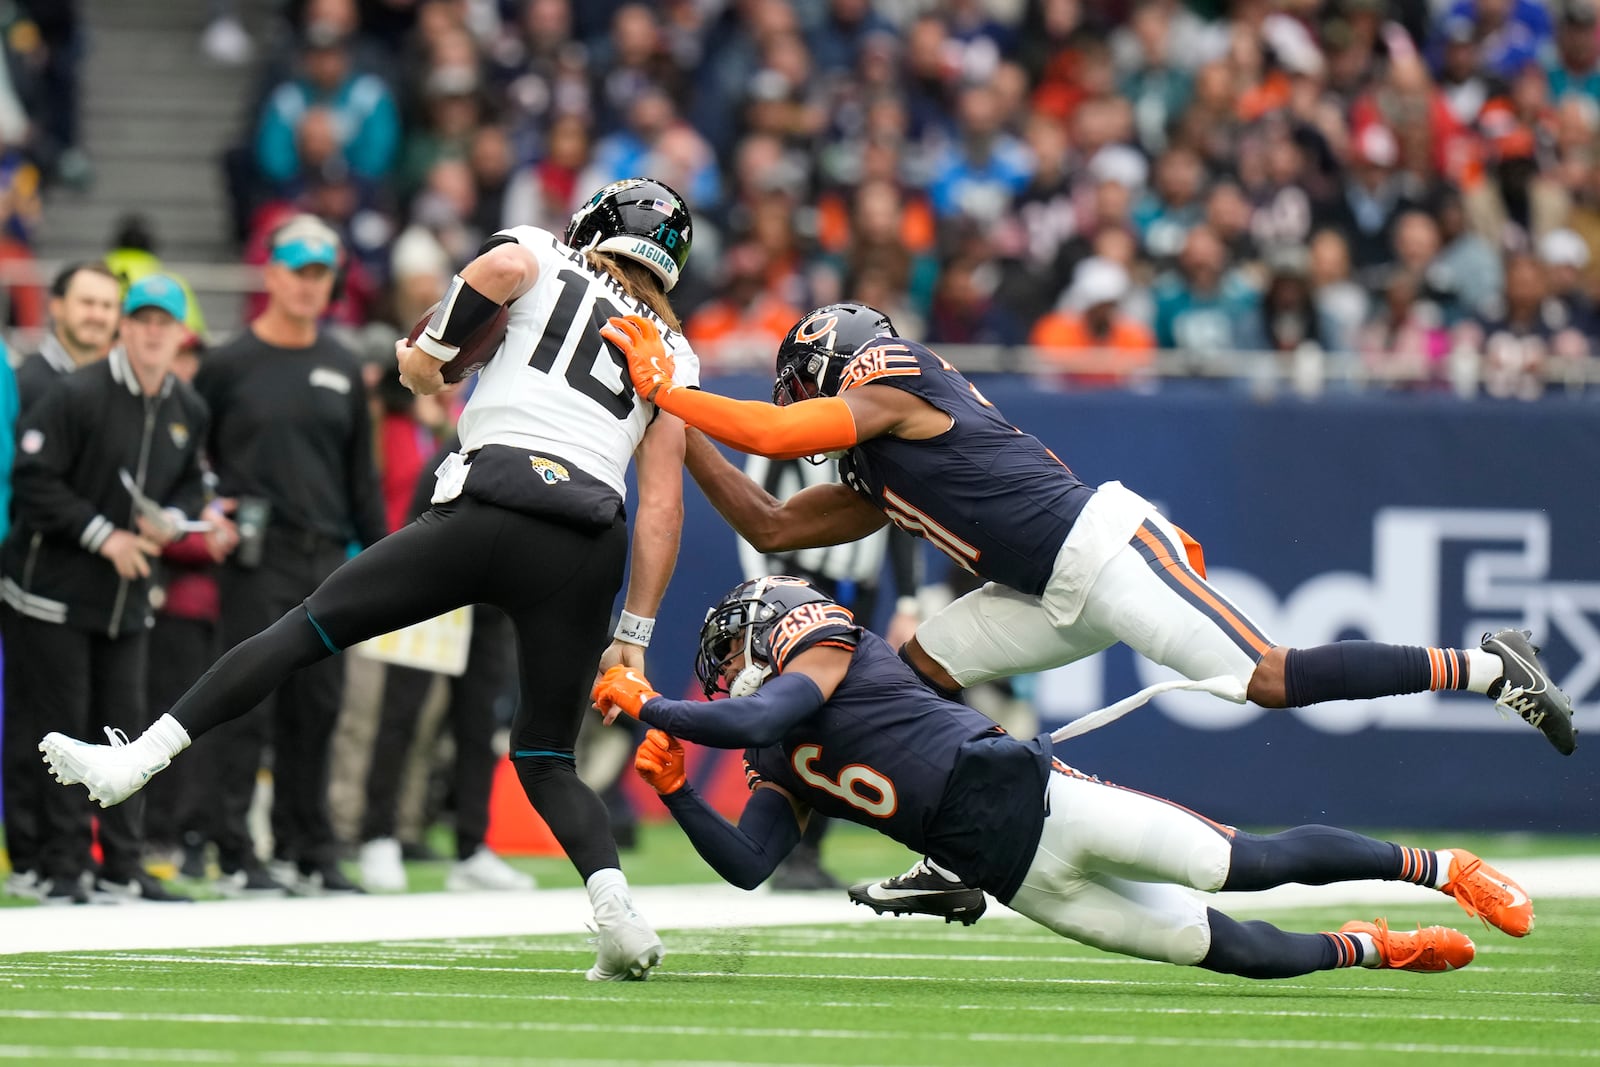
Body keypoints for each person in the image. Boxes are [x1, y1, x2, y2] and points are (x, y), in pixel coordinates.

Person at [598, 301, 1578, 917]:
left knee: (1261, 677)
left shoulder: (893, 380)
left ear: (836, 362)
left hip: (1099, 550)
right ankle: (958, 851)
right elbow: (771, 523)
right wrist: (677, 434)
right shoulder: (875, 452)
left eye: (803, 381)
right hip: (1035, 587)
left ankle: (1490, 663)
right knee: (905, 672)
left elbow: (777, 425)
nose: (802, 403)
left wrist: (675, 392)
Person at [40, 177, 700, 982]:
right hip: (589, 538)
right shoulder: (679, 352)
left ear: (593, 224)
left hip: (492, 502)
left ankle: (136, 760)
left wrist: (426, 358)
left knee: (305, 629)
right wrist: (632, 634)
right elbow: (662, 503)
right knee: (544, 756)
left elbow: (497, 272)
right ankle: (616, 912)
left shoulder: (541, 250)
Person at [592, 575, 1534, 980]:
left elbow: (755, 711)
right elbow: (753, 861)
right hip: (1016, 877)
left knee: (1240, 864)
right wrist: (676, 790)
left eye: (730, 658)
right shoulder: (772, 751)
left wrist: (652, 709)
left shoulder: (828, 647)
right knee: (1226, 951)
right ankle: (1378, 947)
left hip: (1045, 803)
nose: (727, 677)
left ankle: (1441, 866)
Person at [189, 213, 387, 897]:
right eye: (298, 271)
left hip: (327, 559)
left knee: (320, 706)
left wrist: (384, 565)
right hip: (256, 555)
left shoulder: (340, 364)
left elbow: (362, 477)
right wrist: (203, 512)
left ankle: (312, 848)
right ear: (271, 274)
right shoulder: (227, 364)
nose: (308, 285)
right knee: (248, 705)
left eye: (320, 274)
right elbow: (190, 458)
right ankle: (235, 847)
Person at [6, 276, 220, 904]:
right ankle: (65, 867)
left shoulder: (188, 407)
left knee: (126, 730)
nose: (154, 331)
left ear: (180, 332)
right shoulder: (79, 393)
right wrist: (107, 537)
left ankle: (121, 865)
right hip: (54, 594)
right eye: (143, 319)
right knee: (60, 731)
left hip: (129, 602)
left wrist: (173, 521)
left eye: (165, 321)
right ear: (124, 326)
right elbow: (33, 481)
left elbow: (189, 487)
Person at [15, 262, 121, 416]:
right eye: (87, 302)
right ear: (57, 307)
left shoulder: (120, 385)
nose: (98, 315)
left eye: (107, 305)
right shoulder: (22, 384)